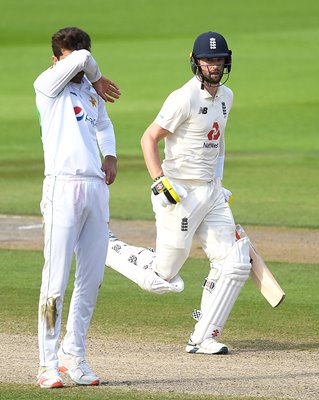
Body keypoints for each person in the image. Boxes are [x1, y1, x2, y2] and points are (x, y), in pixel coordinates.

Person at [105, 31, 251, 355]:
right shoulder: (183, 98)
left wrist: (219, 182)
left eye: (219, 59)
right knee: (163, 277)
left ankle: (204, 335)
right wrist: (159, 181)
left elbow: (219, 143)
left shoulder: (227, 96)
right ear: (196, 62)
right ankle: (106, 246)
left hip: (210, 193)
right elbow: (149, 138)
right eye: (209, 60)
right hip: (180, 195)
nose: (214, 65)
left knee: (234, 261)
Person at [34, 27, 121, 388]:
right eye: (69, 57)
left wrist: (110, 155)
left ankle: (74, 354)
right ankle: (47, 363)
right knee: (55, 281)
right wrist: (95, 74)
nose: (78, 62)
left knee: (91, 280)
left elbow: (104, 124)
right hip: (62, 187)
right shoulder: (47, 85)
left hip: (94, 189)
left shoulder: (89, 91)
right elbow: (83, 59)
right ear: (57, 60)